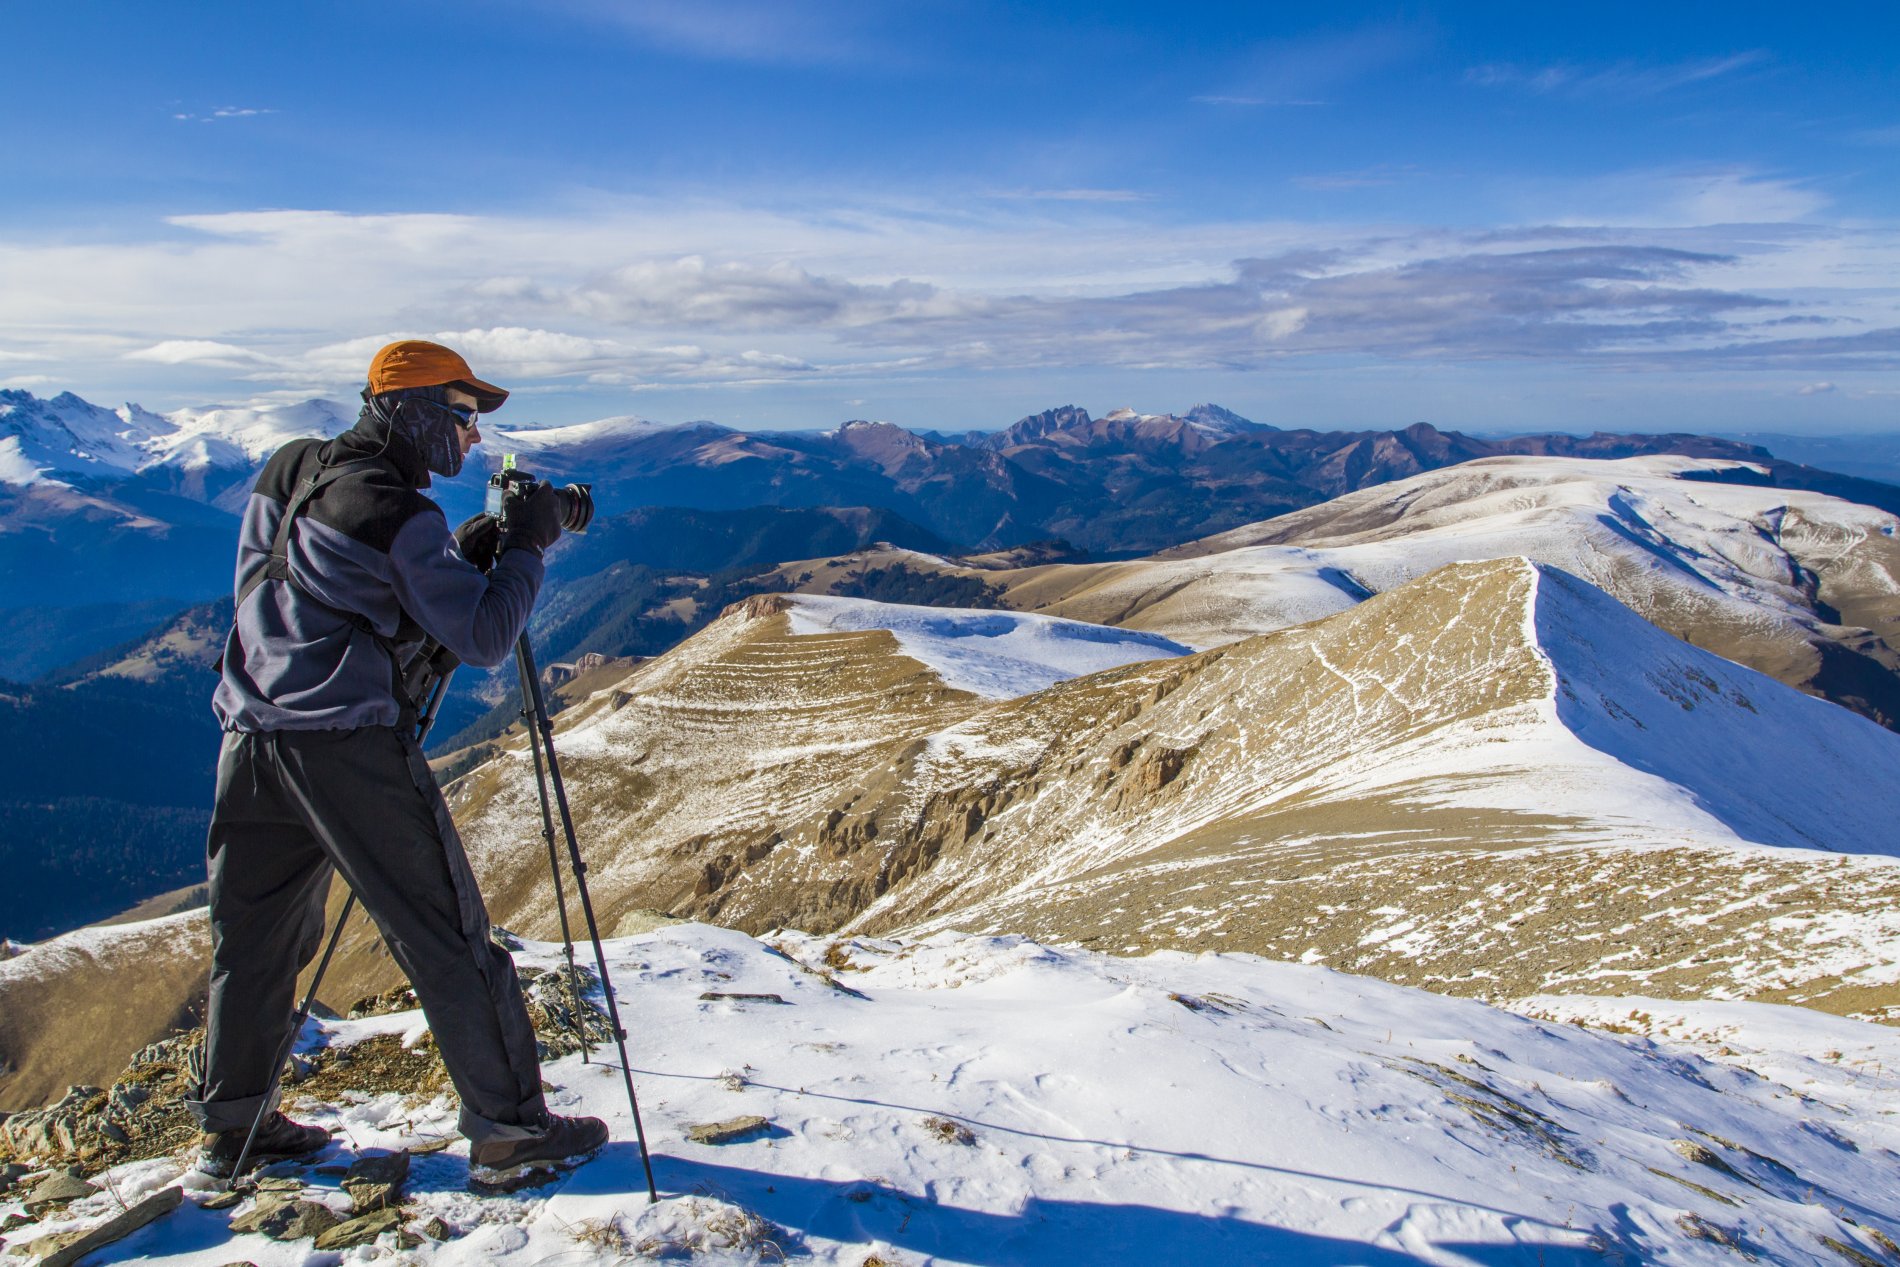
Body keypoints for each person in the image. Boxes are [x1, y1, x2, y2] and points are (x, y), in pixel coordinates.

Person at [187, 339, 607, 1184]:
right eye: (460, 416)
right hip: (348, 748)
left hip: (250, 736)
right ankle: (511, 1129)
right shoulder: (399, 512)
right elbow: (485, 637)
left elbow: (337, 582)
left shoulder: (291, 468)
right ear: (409, 410)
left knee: (256, 939)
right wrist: (525, 545)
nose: (472, 438)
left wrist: (460, 550)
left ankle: (236, 1128)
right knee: (446, 936)